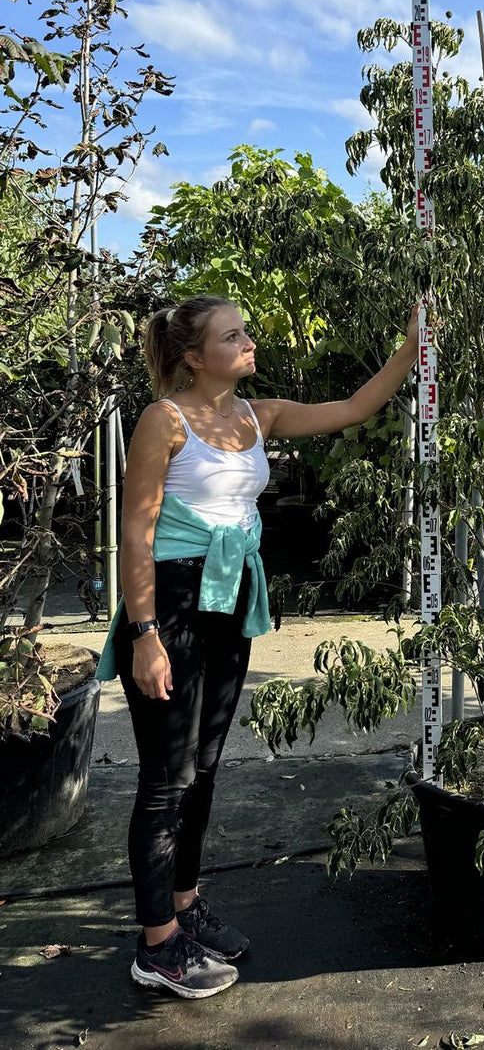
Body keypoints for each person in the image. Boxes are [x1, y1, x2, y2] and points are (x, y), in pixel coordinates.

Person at [94, 294, 421, 998]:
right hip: (172, 603)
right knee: (165, 778)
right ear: (192, 354)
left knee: (204, 767)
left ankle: (184, 907)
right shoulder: (164, 420)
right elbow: (136, 536)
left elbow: (354, 407)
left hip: (230, 596)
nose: (249, 341)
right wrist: (146, 635)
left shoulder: (256, 414)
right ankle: (155, 947)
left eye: (245, 332)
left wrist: (409, 349)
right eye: (232, 335)